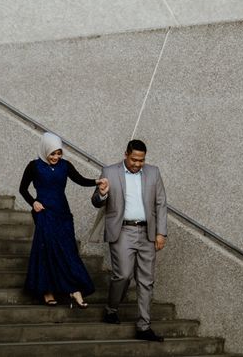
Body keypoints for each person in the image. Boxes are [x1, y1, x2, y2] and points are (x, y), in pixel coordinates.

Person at [19, 131, 107, 307]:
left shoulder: (65, 165)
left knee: (68, 250)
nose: (56, 157)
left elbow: (80, 180)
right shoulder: (34, 166)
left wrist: (97, 182)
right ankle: (48, 291)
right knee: (48, 250)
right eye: (52, 153)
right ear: (45, 151)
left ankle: (74, 289)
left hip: (63, 213)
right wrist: (33, 202)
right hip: (44, 213)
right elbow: (23, 189)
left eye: (59, 153)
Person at [92, 138, 167, 342]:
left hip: (147, 233)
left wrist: (161, 233)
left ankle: (144, 326)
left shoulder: (154, 173)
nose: (137, 164)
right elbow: (96, 201)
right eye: (134, 159)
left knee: (146, 280)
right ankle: (111, 309)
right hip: (122, 230)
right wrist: (102, 193)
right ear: (126, 154)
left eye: (141, 160)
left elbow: (161, 203)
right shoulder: (109, 172)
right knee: (123, 275)